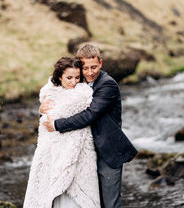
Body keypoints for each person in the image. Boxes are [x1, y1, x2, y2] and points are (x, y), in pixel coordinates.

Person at [42, 44, 138, 208]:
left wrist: (57, 125)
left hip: (107, 152)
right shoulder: (78, 81)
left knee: (110, 204)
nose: (90, 72)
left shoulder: (108, 85)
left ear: (100, 63)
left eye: (94, 67)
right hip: (86, 153)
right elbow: (57, 92)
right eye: (85, 68)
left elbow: (90, 114)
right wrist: (43, 106)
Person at [23, 57, 100, 208]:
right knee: (51, 195)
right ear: (59, 77)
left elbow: (72, 119)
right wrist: (42, 110)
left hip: (77, 154)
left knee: (73, 197)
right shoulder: (49, 93)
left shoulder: (83, 95)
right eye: (69, 78)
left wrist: (53, 118)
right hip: (52, 154)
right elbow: (46, 123)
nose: (73, 82)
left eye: (77, 78)